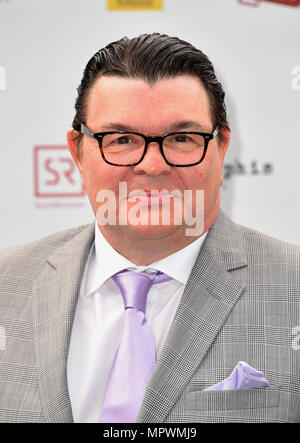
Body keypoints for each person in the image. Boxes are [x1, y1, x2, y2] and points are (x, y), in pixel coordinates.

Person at [0, 33, 299, 424]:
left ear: (221, 147)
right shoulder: (8, 284)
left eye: (181, 138)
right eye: (121, 139)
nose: (153, 166)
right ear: (77, 152)